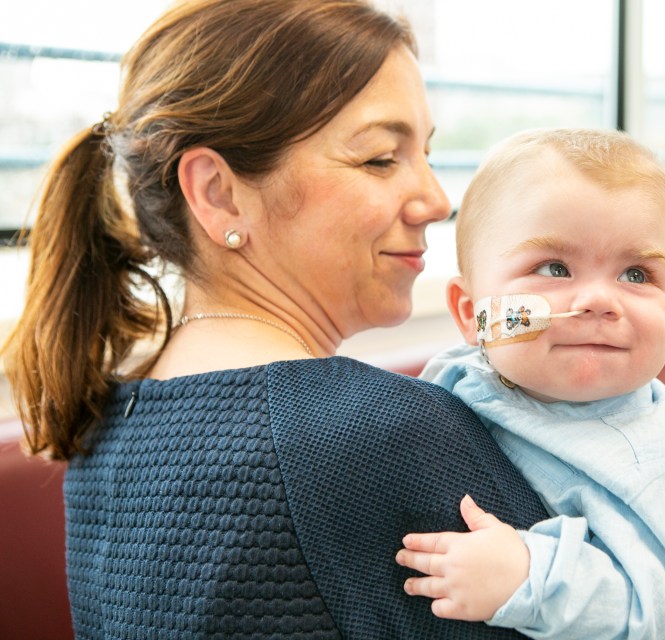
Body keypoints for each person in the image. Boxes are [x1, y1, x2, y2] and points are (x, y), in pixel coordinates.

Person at [0, 1, 550, 637]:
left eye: (425, 153)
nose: (436, 199)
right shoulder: (386, 435)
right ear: (219, 193)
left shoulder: (104, 428)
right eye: (378, 158)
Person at [395, 128, 665, 639]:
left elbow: (649, 612)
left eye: (636, 275)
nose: (597, 300)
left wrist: (528, 576)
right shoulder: (457, 376)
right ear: (473, 314)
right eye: (554, 267)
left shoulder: (655, 464)